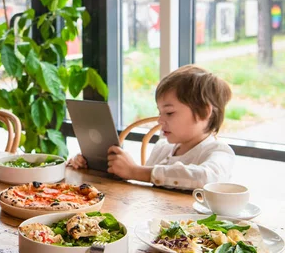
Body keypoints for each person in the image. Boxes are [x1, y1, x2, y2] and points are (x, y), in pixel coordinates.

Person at [69, 64, 234, 190]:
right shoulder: (163, 147)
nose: (160, 120)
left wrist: (136, 171)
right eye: (159, 112)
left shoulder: (218, 151)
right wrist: (112, 169)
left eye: (169, 113)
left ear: (204, 112)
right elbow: (145, 187)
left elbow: (208, 179)